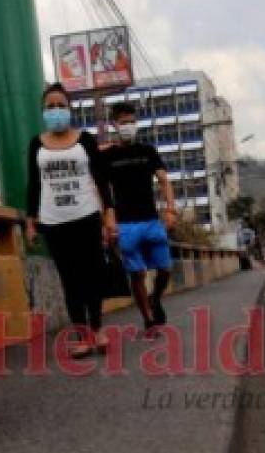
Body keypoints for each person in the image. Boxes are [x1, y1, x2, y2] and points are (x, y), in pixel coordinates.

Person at [25, 84, 116, 357]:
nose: (55, 111)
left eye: (60, 105)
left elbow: (101, 179)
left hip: (86, 217)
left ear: (70, 109)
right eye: (50, 107)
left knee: (92, 274)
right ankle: (82, 334)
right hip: (54, 223)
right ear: (43, 112)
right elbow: (34, 185)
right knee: (70, 280)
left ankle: (97, 328)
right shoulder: (36, 144)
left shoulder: (85, 140)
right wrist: (31, 221)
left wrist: (109, 214)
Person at [102, 102, 177, 337]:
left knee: (164, 269)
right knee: (137, 274)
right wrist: (107, 222)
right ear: (114, 124)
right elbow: (101, 190)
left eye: (132, 122)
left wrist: (170, 209)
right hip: (125, 224)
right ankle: (148, 320)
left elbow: (164, 180)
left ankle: (155, 298)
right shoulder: (108, 156)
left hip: (151, 221)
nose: (129, 126)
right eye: (124, 122)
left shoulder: (147, 151)